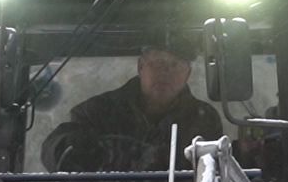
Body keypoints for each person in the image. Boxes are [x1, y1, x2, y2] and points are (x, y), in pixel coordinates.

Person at [43, 39, 224, 173]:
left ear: (187, 74)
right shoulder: (96, 112)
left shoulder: (204, 120)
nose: (165, 72)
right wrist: (71, 146)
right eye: (157, 63)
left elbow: (212, 177)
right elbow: (56, 154)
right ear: (140, 67)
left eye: (175, 65)